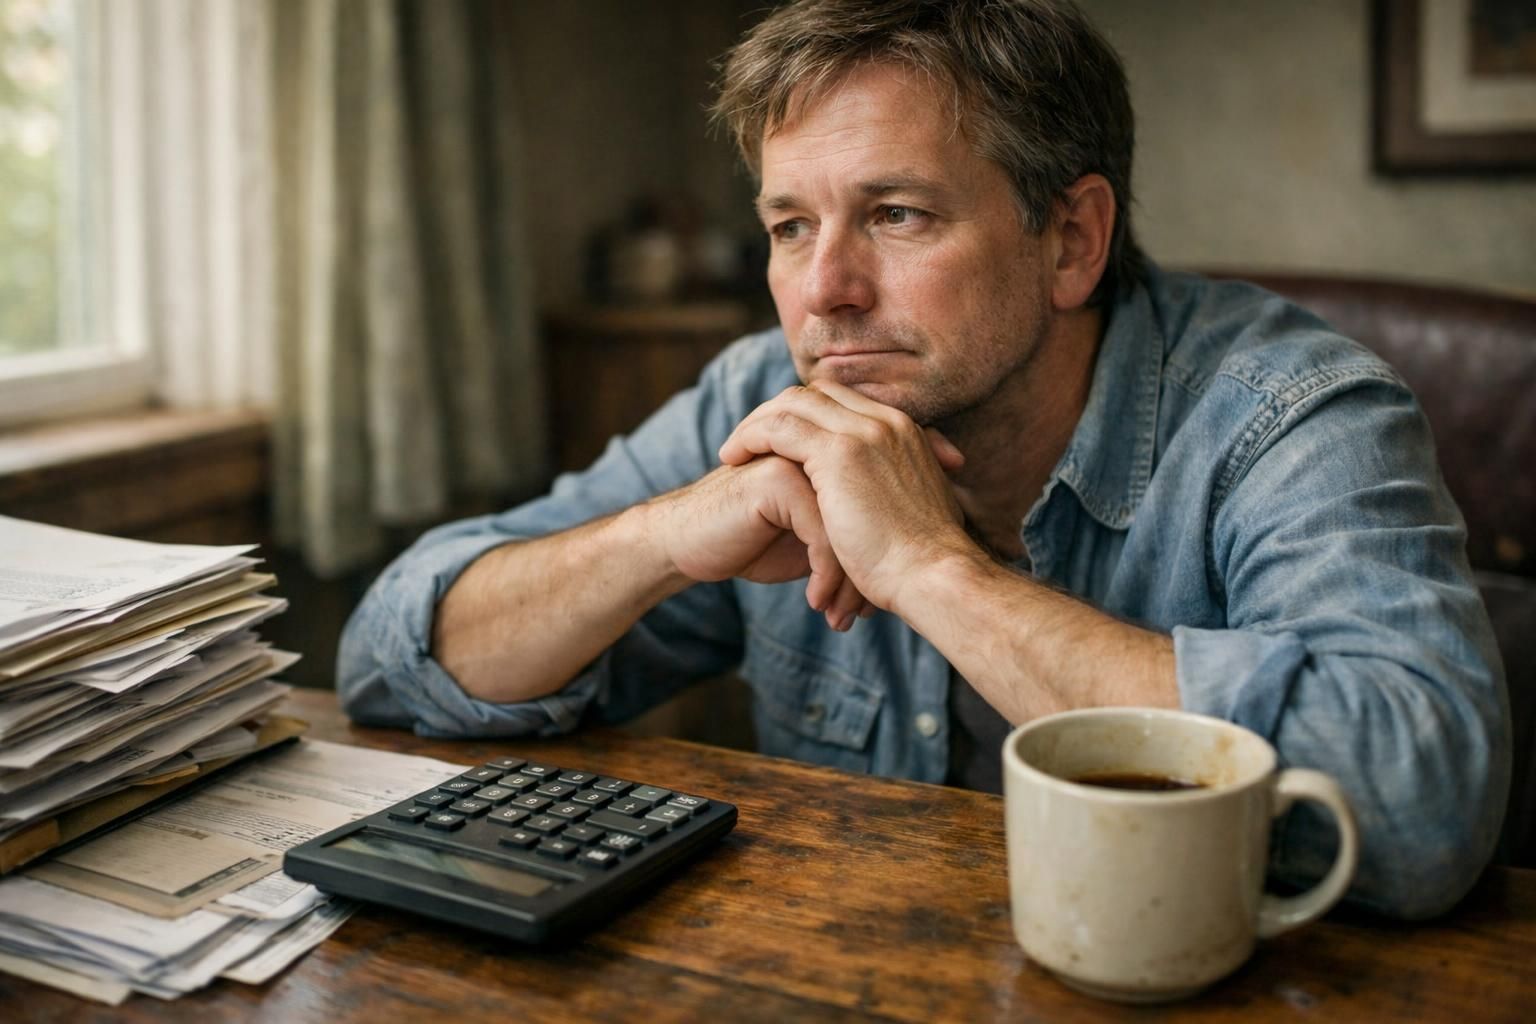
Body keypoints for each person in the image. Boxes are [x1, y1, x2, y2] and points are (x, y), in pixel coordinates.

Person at [337, 0, 1508, 919]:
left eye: (896, 213)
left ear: (1072, 240)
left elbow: (1418, 813)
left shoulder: (1291, 413)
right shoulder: (764, 399)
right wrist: (661, 535)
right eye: (791, 225)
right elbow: (393, 658)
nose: (826, 292)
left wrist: (931, 570)